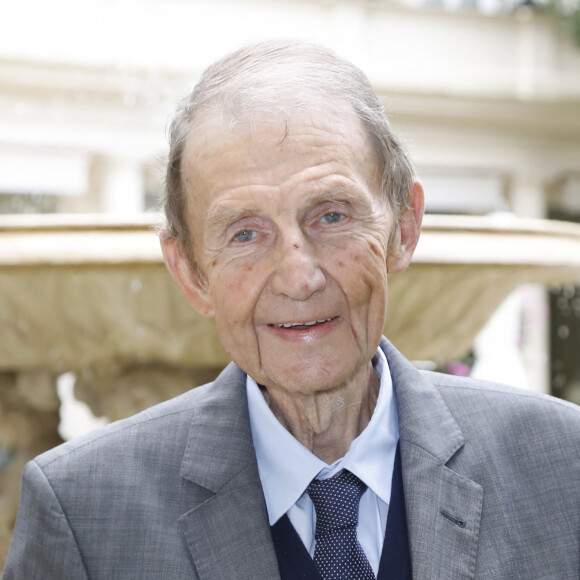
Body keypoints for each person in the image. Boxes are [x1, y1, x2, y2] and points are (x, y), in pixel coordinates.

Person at [3, 41, 579, 580]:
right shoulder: (83, 514)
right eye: (245, 233)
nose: (299, 278)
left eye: (331, 215)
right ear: (189, 273)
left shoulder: (562, 467)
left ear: (403, 228)